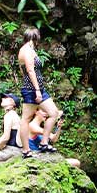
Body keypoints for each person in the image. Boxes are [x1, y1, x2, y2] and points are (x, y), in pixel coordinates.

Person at [17, 27, 62, 158]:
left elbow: (22, 70)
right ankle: (26, 150)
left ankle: (43, 142)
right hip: (32, 90)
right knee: (25, 119)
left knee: (53, 113)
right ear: (35, 38)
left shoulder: (28, 50)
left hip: (38, 89)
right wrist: (36, 90)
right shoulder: (26, 51)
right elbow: (30, 71)